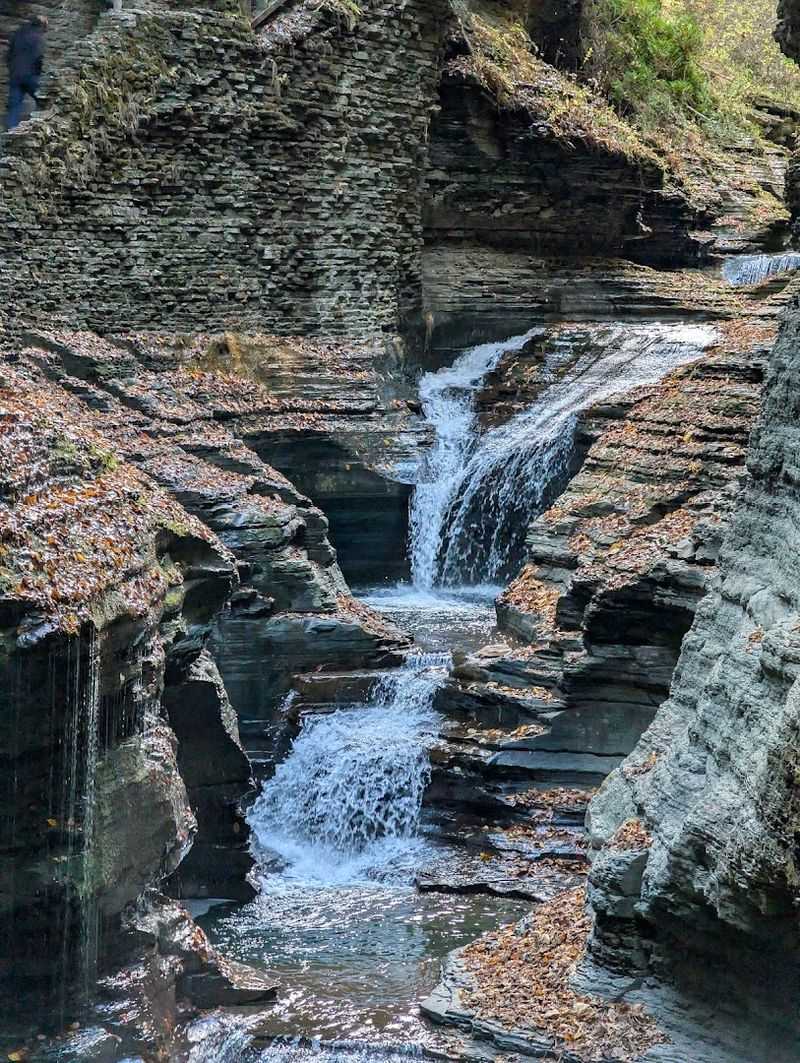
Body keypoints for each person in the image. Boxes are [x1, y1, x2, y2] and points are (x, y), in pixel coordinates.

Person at [5, 15, 48, 132]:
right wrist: (38, 73)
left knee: (14, 106)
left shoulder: (17, 35)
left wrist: (12, 69)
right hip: (30, 76)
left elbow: (8, 55)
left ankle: (11, 133)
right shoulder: (37, 37)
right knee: (45, 101)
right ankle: (39, 126)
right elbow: (38, 58)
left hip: (15, 75)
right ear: (40, 26)